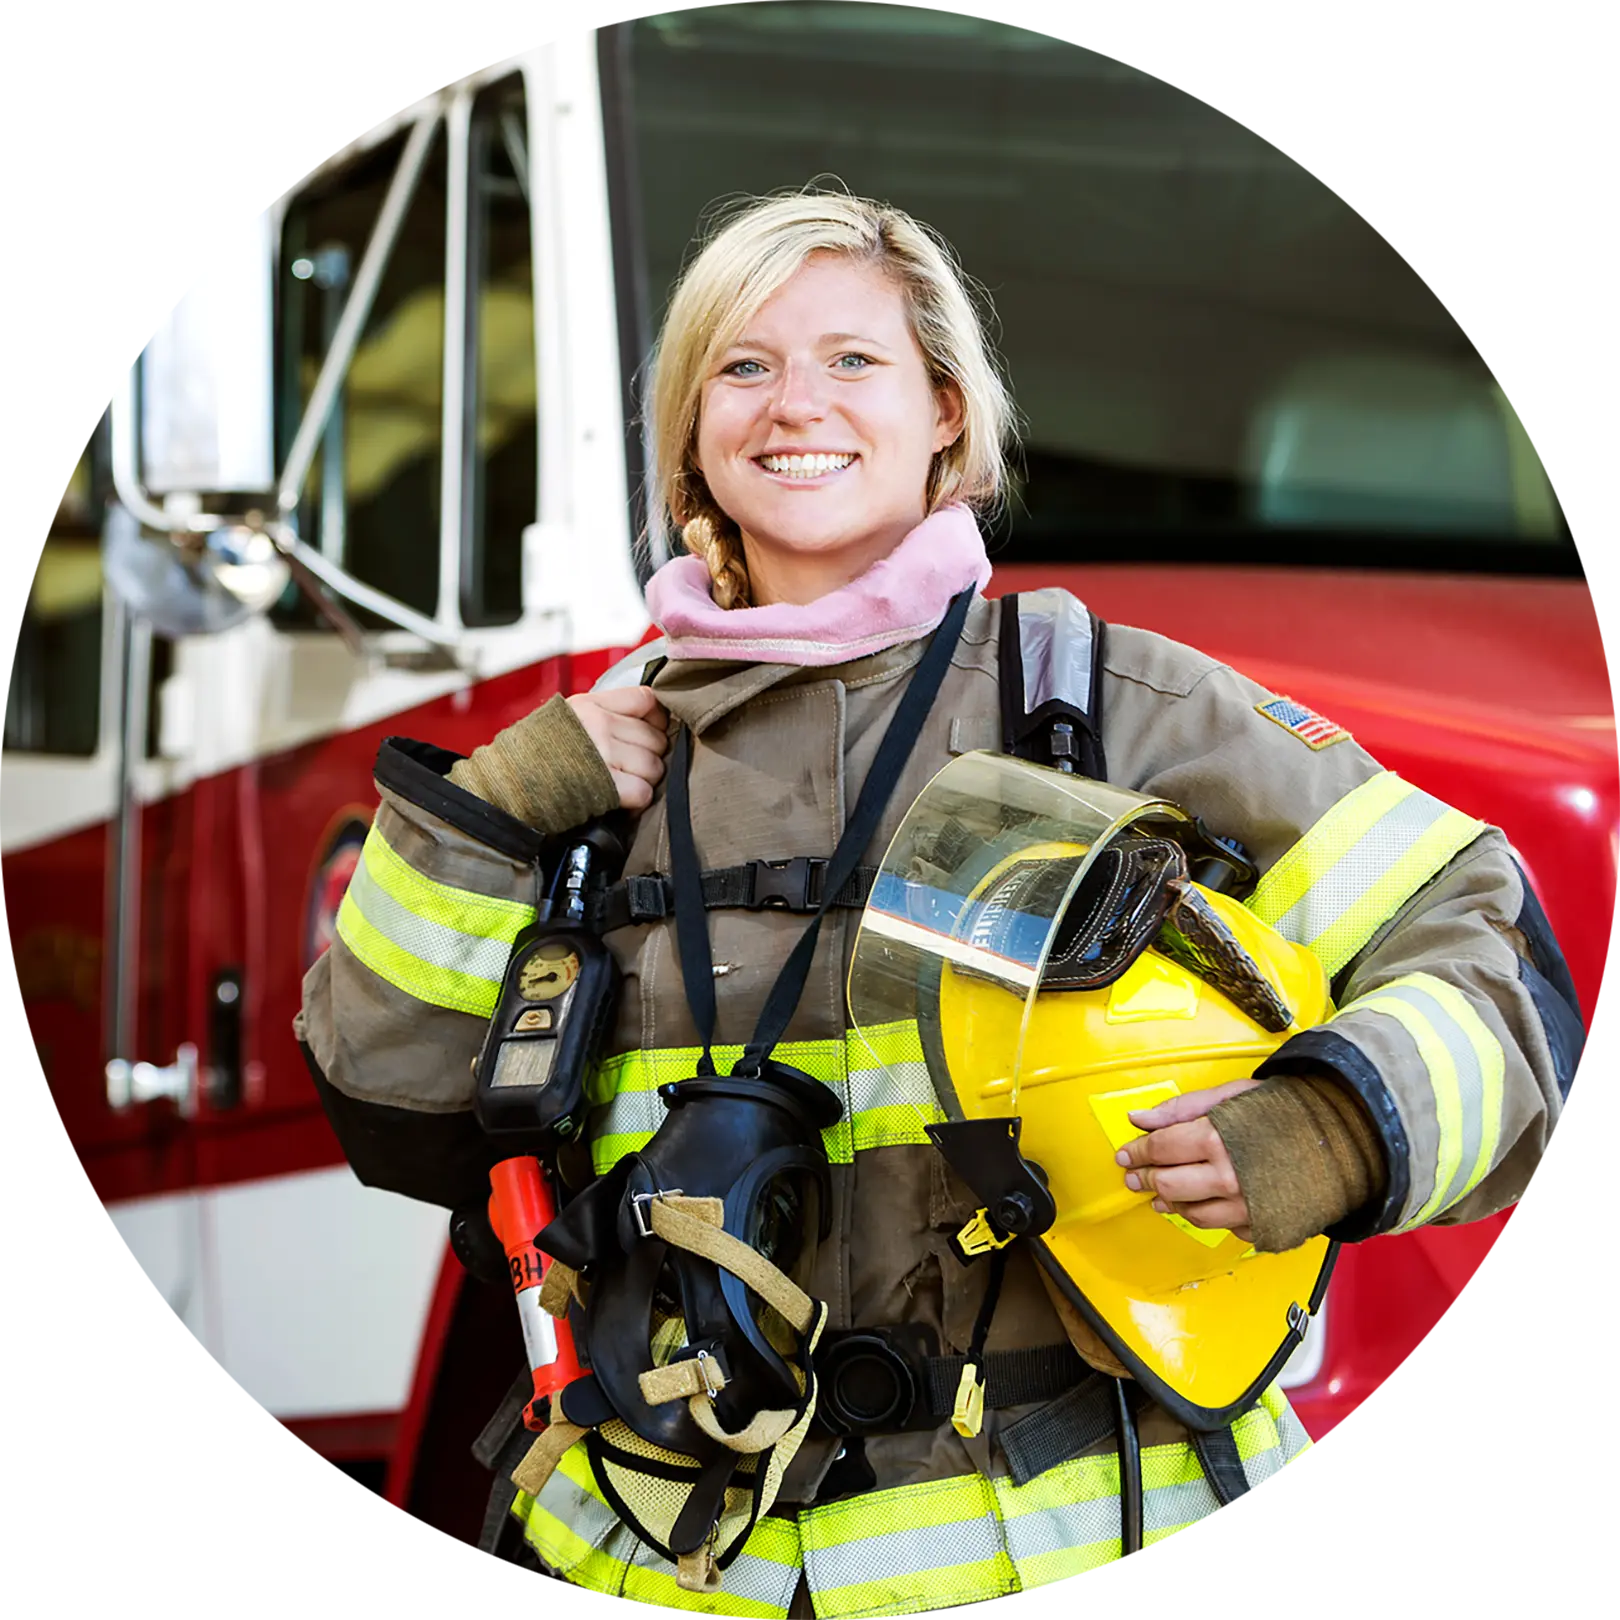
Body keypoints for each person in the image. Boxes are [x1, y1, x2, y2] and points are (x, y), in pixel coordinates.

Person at [296, 189, 1578, 1618]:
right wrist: (487, 814)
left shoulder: (1102, 705)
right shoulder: (596, 760)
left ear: (947, 418)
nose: (798, 406)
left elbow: (1488, 944)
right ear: (690, 436)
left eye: (855, 361)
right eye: (745, 365)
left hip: (1064, 1574)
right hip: (664, 1565)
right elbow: (394, 1109)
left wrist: (1339, 1124)